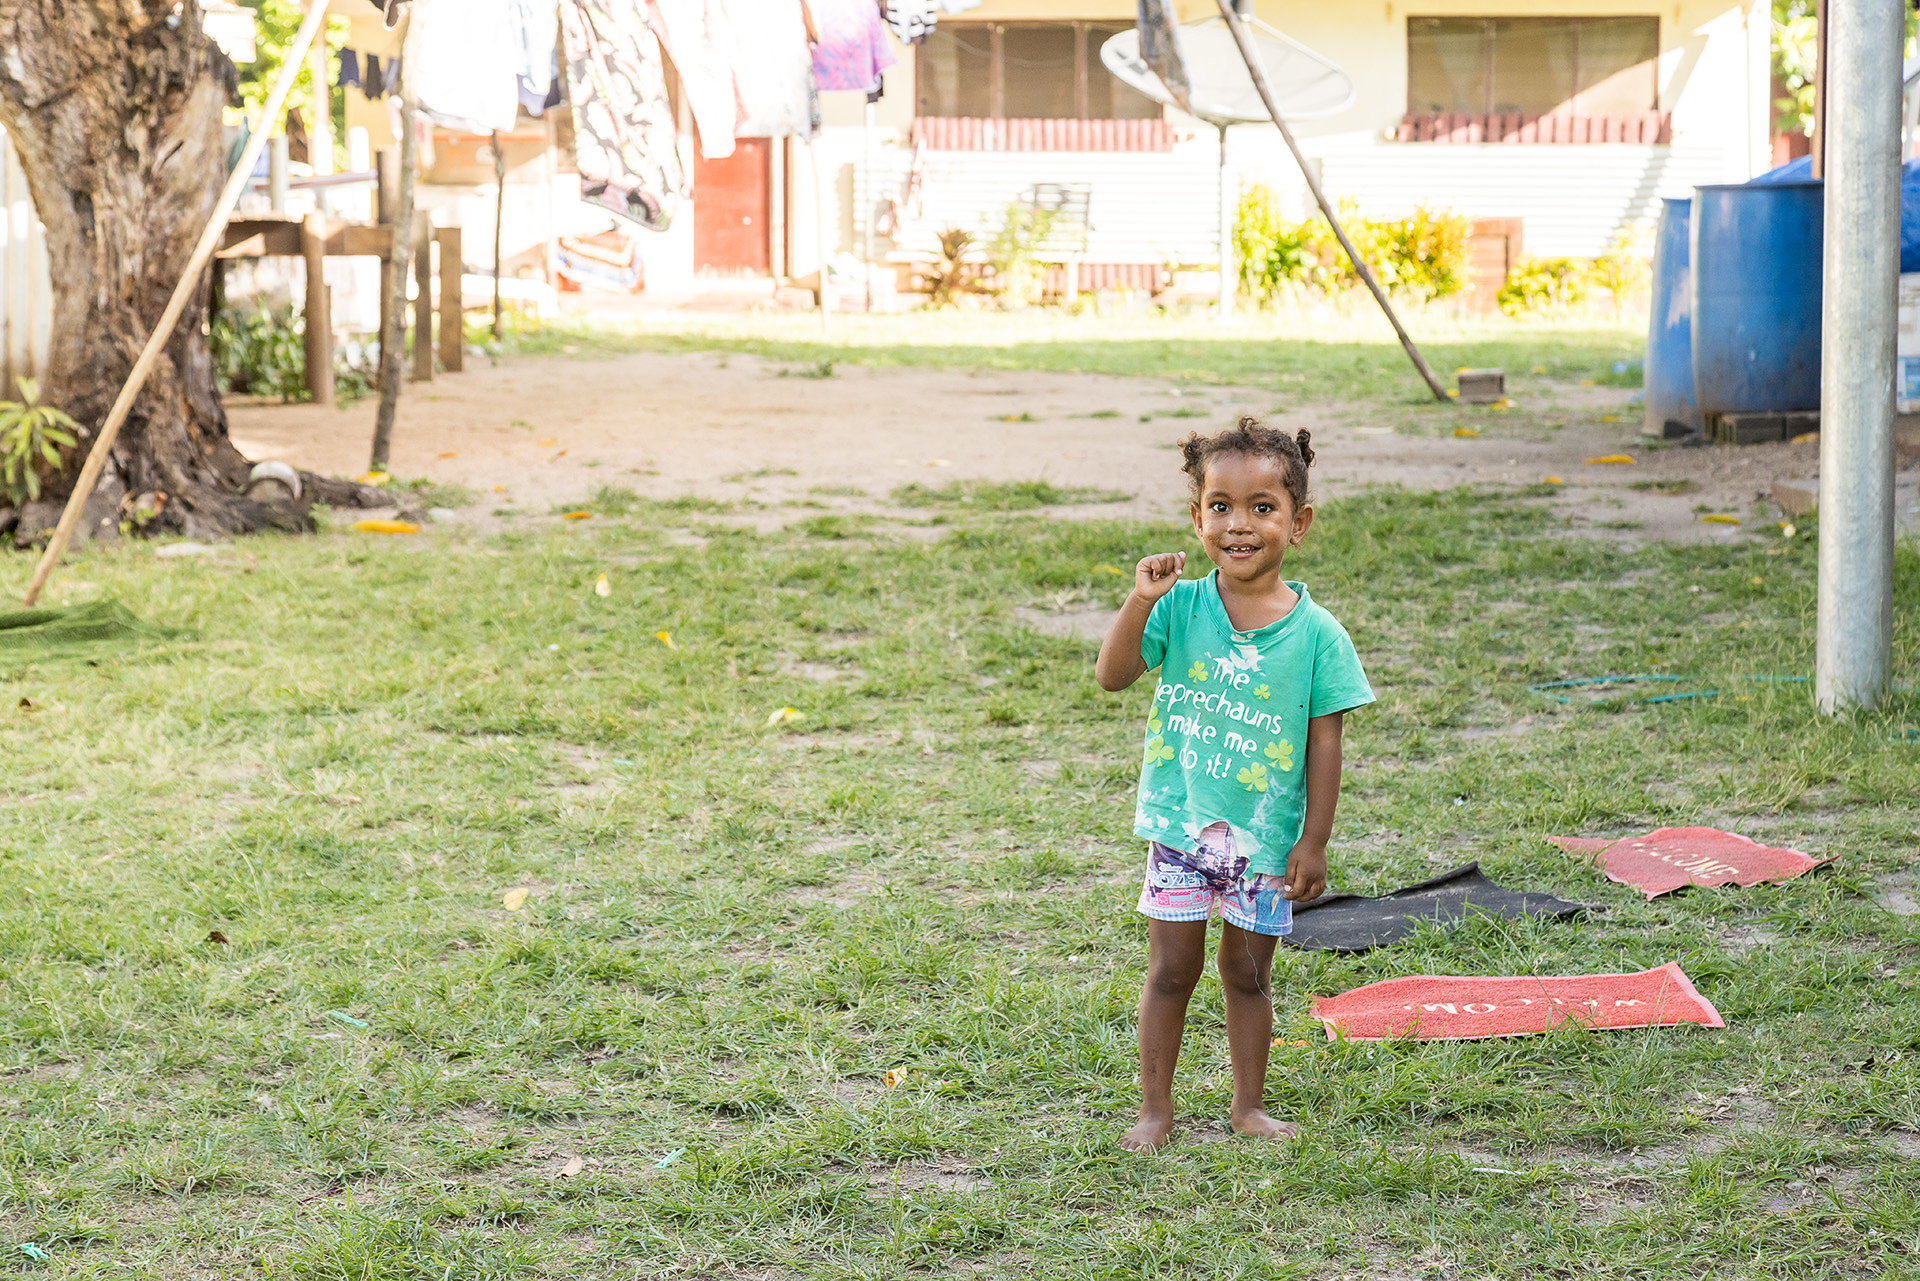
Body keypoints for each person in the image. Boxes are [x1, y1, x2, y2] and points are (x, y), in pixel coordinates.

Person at [1094, 417, 1373, 1153]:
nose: (1238, 524)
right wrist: (1140, 601)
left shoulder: (1319, 635)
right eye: (1220, 506)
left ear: (1299, 522)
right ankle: (1157, 1110)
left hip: (1266, 847)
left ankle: (1247, 1106)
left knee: (1247, 974)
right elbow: (1111, 675)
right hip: (1181, 833)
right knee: (1171, 970)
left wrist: (1312, 841)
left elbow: (1326, 741)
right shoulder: (1180, 607)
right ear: (1197, 517)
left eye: (1262, 507)